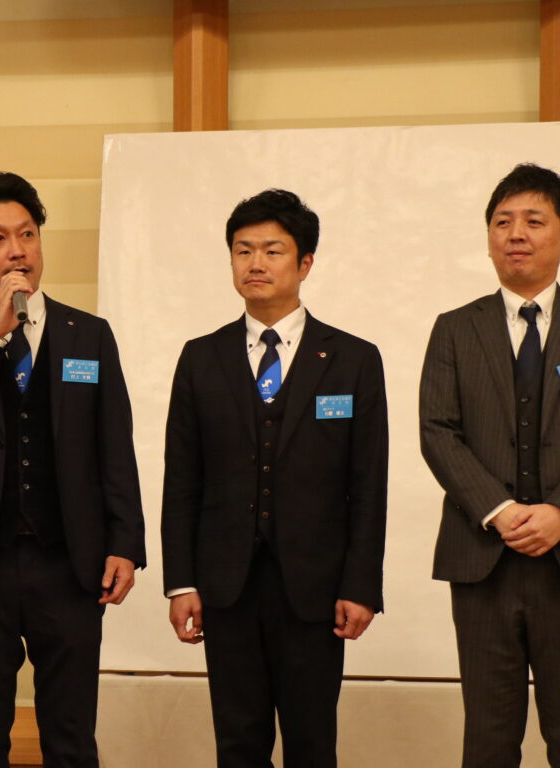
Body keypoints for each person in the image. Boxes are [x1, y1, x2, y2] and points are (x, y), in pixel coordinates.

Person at [0, 171, 145, 768]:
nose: (17, 251)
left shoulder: (88, 334)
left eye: (28, 234)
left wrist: (125, 543)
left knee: (71, 737)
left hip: (68, 562)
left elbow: (114, 445)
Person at [419, 163, 560, 768]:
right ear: (489, 237)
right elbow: (438, 432)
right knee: (488, 742)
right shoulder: (454, 329)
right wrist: (499, 510)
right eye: (502, 222)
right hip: (482, 558)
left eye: (533, 221)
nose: (515, 233)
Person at [161, 189, 388, 768]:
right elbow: (182, 480)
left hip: (315, 587)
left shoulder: (354, 359)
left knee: (312, 744)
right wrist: (181, 582)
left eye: (272, 250)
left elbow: (368, 485)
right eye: (243, 251)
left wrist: (361, 584)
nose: (255, 263)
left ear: (304, 263)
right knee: (238, 743)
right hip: (226, 586)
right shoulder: (201, 357)